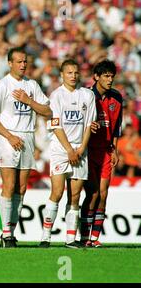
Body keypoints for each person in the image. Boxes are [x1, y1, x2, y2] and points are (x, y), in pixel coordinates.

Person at [0, 47, 51, 248]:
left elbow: (47, 110)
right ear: (10, 63)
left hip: (28, 138)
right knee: (9, 185)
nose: (23, 65)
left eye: (25, 62)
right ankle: (6, 234)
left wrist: (28, 101)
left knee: (22, 188)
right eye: (19, 62)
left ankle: (11, 231)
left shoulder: (32, 85)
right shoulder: (2, 85)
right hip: (8, 138)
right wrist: (9, 136)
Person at [39, 59, 96, 248]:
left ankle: (70, 238)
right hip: (60, 149)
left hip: (80, 149)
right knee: (56, 192)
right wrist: (70, 150)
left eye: (76, 72)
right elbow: (56, 126)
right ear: (62, 75)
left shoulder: (87, 96)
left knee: (75, 195)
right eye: (69, 73)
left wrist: (81, 148)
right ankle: (45, 236)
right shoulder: (56, 96)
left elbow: (89, 124)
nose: (73, 76)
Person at [80, 60, 123, 248]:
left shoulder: (117, 97)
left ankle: (95, 238)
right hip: (89, 151)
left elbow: (117, 127)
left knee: (104, 194)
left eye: (111, 76)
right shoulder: (86, 96)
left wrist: (115, 149)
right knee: (93, 193)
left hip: (106, 151)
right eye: (106, 76)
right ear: (96, 77)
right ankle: (83, 237)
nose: (110, 79)